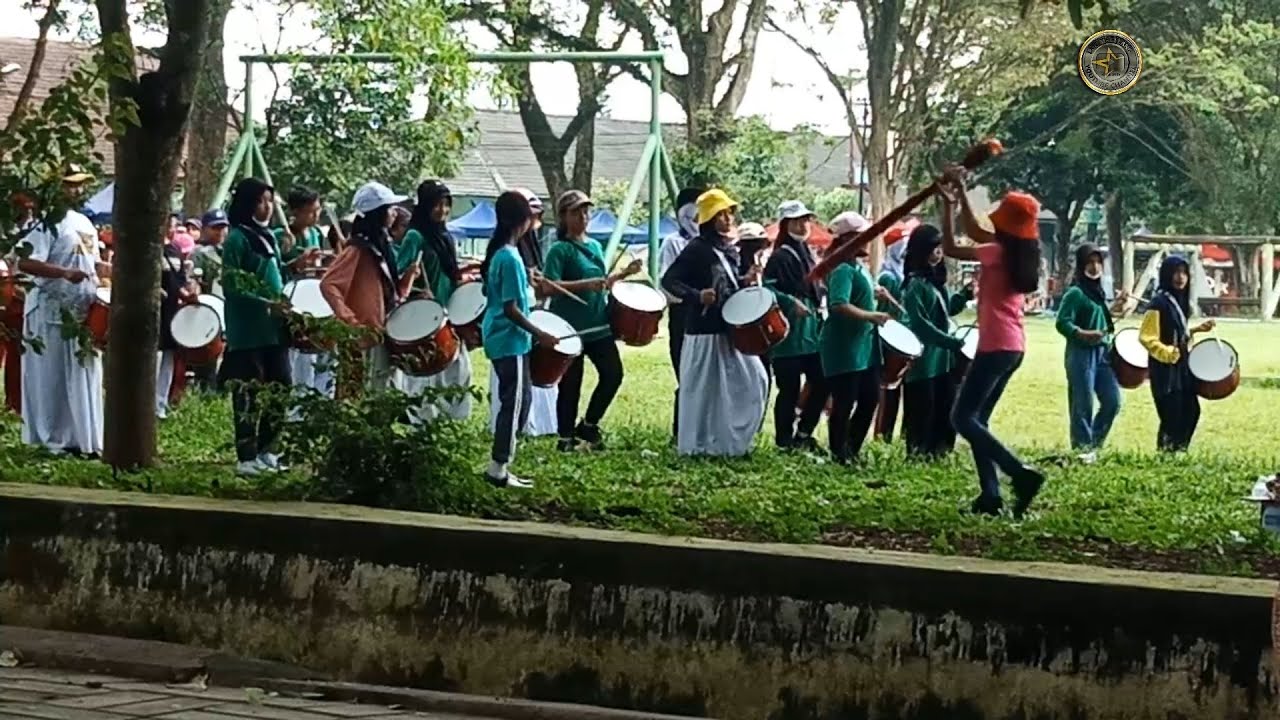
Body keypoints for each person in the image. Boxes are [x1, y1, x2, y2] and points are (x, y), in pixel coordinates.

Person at [940, 168, 1046, 517]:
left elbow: (955, 246)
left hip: (995, 345)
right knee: (978, 420)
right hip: (1014, 346)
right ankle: (990, 496)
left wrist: (948, 204)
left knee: (961, 418)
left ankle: (1019, 473)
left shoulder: (998, 252)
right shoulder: (1023, 253)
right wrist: (959, 191)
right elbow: (975, 230)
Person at [661, 188, 770, 457]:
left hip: (728, 329)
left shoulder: (728, 250)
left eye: (729, 213)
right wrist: (697, 296)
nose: (728, 218)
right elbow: (669, 280)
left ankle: (729, 442)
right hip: (704, 332)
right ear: (709, 219)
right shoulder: (697, 249)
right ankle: (698, 445)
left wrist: (744, 280)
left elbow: (726, 283)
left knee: (754, 380)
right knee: (702, 391)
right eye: (721, 214)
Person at [17, 166, 108, 456]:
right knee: (50, 375)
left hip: (81, 310)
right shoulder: (45, 223)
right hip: (49, 309)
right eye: (71, 185)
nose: (77, 191)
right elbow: (26, 262)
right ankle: (51, 438)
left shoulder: (84, 222)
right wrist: (64, 273)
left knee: (84, 372)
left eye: (80, 185)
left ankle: (83, 438)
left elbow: (94, 263)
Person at [543, 190, 642, 452]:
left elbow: (602, 282)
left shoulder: (595, 246)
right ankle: (565, 437)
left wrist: (624, 273)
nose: (584, 217)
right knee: (570, 384)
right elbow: (548, 286)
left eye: (586, 211)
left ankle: (588, 424)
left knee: (613, 374)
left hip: (599, 324)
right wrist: (586, 284)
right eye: (577, 212)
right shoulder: (559, 250)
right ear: (564, 216)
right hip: (570, 328)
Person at [481, 190, 559, 488]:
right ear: (523, 220)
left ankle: (502, 465)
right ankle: (498, 468)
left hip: (508, 338)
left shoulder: (500, 253)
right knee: (513, 404)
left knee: (520, 400)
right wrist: (541, 333)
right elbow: (510, 309)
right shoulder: (510, 258)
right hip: (508, 339)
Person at [221, 178, 292, 475]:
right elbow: (232, 285)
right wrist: (264, 302)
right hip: (248, 329)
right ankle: (246, 455)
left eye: (270, 201)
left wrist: (296, 266)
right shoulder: (237, 238)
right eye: (261, 201)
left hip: (274, 328)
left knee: (281, 386)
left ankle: (267, 449)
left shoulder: (267, 236)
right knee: (248, 391)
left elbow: (274, 271)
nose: (267, 207)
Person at [320, 182, 417, 396]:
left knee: (378, 393)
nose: (394, 213)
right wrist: (350, 320)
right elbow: (329, 284)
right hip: (361, 338)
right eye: (390, 208)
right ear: (378, 213)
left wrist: (408, 279)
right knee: (357, 396)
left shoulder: (380, 245)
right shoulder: (358, 248)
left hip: (380, 334)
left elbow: (390, 294)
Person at [395, 179, 473, 422]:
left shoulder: (445, 236)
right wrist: (417, 290)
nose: (442, 210)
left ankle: (454, 420)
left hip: (449, 311)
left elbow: (449, 271)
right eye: (437, 204)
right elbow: (399, 274)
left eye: (446, 204)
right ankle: (422, 421)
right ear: (425, 205)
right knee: (425, 371)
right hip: (423, 315)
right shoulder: (415, 237)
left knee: (458, 368)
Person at [820, 211, 890, 465]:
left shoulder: (857, 267)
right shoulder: (840, 269)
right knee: (844, 402)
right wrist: (870, 315)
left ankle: (852, 449)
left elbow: (858, 293)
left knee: (870, 398)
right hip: (843, 347)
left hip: (864, 348)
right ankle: (840, 453)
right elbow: (839, 304)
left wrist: (874, 291)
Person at [899, 223, 970, 458]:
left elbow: (944, 311)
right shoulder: (914, 284)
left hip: (942, 359)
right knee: (922, 408)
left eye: (940, 248)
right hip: (924, 358)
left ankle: (940, 451)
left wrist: (963, 297)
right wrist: (949, 342)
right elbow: (920, 324)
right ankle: (918, 451)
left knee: (945, 406)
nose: (938, 253)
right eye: (933, 248)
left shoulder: (936, 283)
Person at [763, 200, 825, 451]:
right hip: (788, 333)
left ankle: (804, 432)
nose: (803, 225)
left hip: (811, 332)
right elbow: (767, 288)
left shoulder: (807, 252)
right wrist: (790, 303)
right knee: (789, 389)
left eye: (805, 220)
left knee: (822, 381)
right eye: (797, 221)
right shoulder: (779, 256)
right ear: (786, 224)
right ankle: (784, 440)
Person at [1056, 243, 1128, 457]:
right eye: (1090, 262)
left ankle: (1093, 445)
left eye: (1098, 262)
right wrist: (1082, 333)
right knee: (1082, 404)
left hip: (1102, 354)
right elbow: (1062, 322)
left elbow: (1101, 316)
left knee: (1112, 401)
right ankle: (1082, 448)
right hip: (1080, 354)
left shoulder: (1097, 292)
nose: (1095, 267)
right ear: (1081, 265)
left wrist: (1117, 304)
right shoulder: (1076, 293)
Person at [1139, 254, 1214, 453]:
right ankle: (1166, 454)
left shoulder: (1180, 301)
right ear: (1166, 274)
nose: (1180, 277)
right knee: (1171, 414)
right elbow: (1147, 337)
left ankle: (1179, 451)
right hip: (1164, 369)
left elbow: (1175, 331)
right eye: (1175, 272)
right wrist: (1168, 353)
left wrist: (1196, 330)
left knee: (1191, 411)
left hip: (1181, 365)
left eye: (1183, 273)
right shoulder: (1158, 303)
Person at [657, 186, 705, 441]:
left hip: (706, 315)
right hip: (682, 314)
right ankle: (682, 432)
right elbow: (668, 284)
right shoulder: (673, 243)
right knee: (685, 373)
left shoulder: (711, 243)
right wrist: (693, 296)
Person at [275, 187, 330, 397]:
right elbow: (275, 268)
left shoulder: (316, 233)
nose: (316, 215)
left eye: (318, 210)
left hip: (315, 298)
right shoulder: (282, 235)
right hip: (293, 300)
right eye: (310, 211)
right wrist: (294, 264)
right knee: (299, 357)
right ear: (295, 212)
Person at [156, 230, 198, 419]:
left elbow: (179, 281)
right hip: (152, 314)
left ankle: (160, 404)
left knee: (168, 359)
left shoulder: (173, 251)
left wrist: (188, 294)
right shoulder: (144, 248)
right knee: (153, 360)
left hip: (171, 313)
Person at [874, 239, 908, 442]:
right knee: (888, 390)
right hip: (890, 337)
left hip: (903, 336)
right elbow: (884, 310)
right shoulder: (888, 277)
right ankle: (882, 435)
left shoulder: (903, 275)